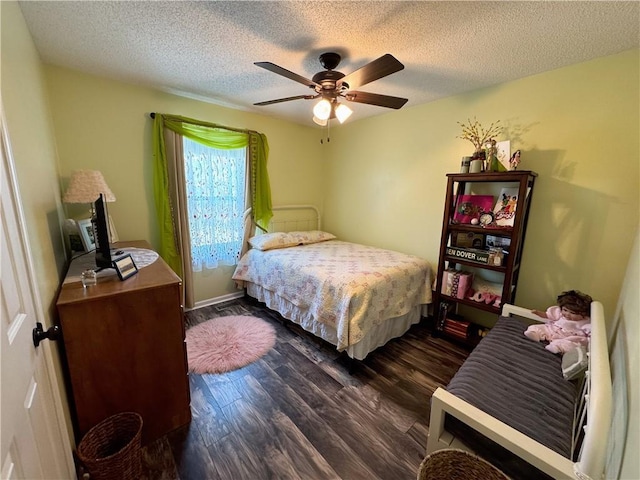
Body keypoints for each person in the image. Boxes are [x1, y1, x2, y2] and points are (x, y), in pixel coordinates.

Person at [524, 290, 592, 354]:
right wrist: (538, 313)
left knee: (570, 344)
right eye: (565, 310)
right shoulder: (559, 313)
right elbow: (548, 315)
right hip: (552, 330)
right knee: (537, 327)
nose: (567, 314)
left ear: (584, 314)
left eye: (573, 313)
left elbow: (591, 334)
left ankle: (558, 348)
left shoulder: (585, 322)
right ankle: (535, 334)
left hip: (567, 337)